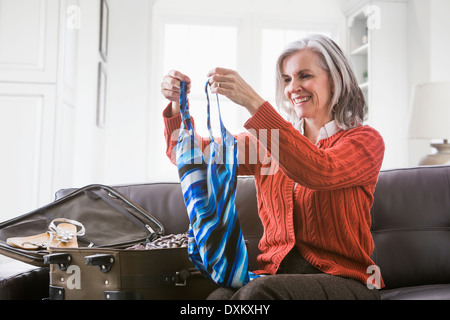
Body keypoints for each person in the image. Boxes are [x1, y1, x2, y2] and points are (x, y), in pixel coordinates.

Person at [160, 34, 385, 300]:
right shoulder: (266, 144)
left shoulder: (364, 141)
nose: (293, 88)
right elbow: (191, 156)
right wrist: (177, 106)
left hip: (347, 280)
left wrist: (253, 102)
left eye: (305, 76)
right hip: (276, 276)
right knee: (218, 297)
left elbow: (319, 171)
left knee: (257, 293)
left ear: (335, 79)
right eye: (287, 79)